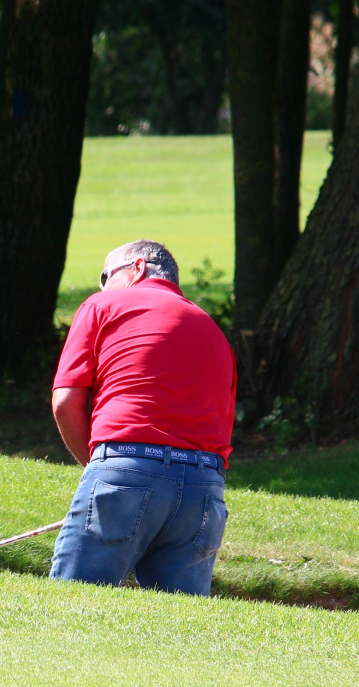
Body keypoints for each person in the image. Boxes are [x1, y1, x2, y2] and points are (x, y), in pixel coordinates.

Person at [48, 239, 236, 595]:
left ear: (137, 268)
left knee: (72, 608)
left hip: (126, 472)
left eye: (106, 276)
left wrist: (101, 472)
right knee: (180, 631)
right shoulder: (214, 330)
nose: (101, 287)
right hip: (205, 490)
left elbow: (65, 401)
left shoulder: (103, 305)